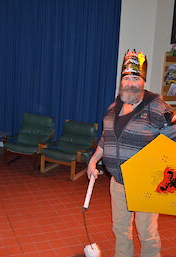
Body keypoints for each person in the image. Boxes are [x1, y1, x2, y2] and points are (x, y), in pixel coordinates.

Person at [87, 50, 176, 257]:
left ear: (143, 82)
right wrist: (93, 162)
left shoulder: (157, 106)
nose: (130, 82)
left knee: (147, 232)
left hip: (146, 183)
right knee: (120, 230)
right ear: (121, 82)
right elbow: (105, 138)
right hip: (117, 182)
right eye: (126, 78)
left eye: (135, 78)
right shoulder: (113, 107)